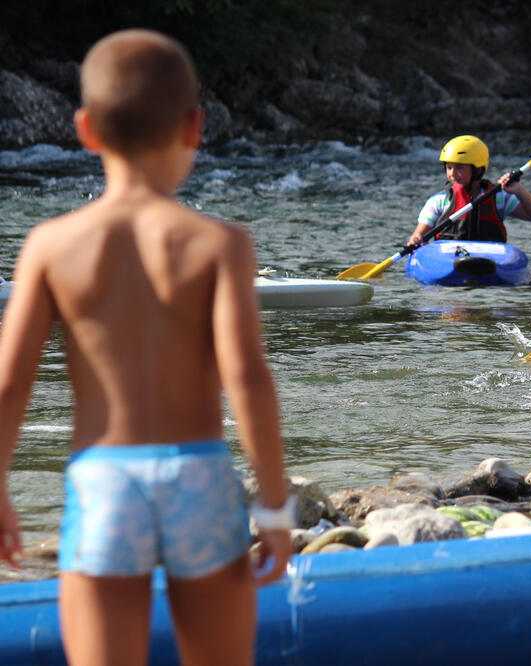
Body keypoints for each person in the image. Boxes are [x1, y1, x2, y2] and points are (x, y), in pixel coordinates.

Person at [0, 30, 292, 665]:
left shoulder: (50, 245)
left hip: (105, 479)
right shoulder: (219, 244)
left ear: (83, 129)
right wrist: (274, 504)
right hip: (198, 475)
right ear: (194, 126)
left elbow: (9, 385)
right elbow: (247, 378)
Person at [406, 135, 531, 246]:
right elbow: (419, 234)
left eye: (459, 168)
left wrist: (519, 190)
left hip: (488, 258)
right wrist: (417, 239)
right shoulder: (439, 201)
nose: (452, 174)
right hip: (450, 257)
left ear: (478, 170)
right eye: (449, 168)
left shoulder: (499, 198)